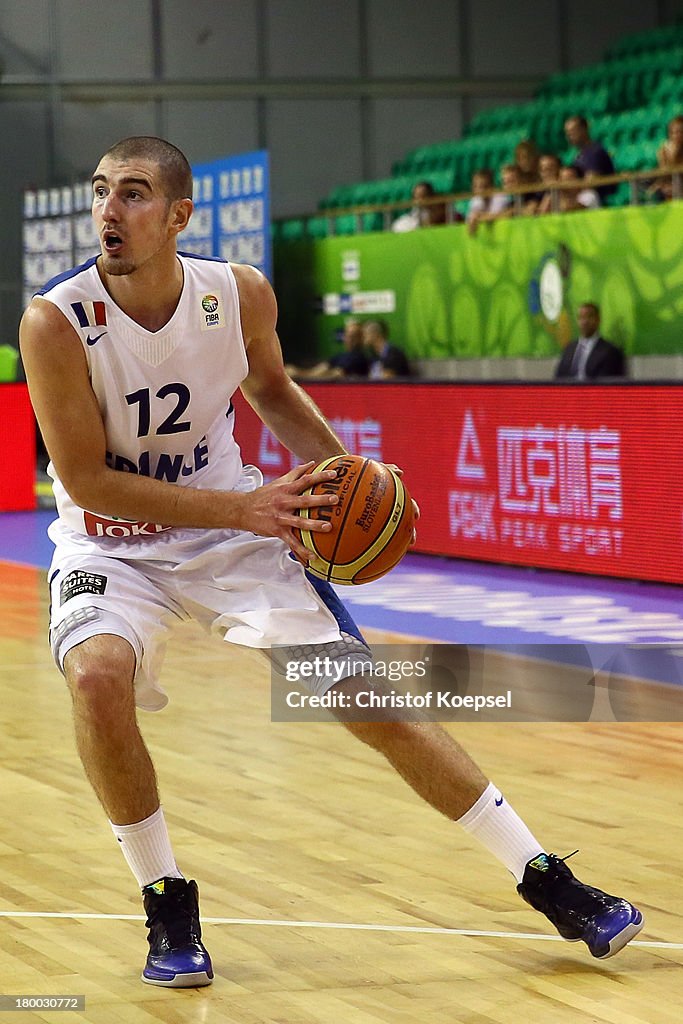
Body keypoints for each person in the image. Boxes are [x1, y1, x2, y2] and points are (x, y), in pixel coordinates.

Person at [20, 136, 642, 988]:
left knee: (366, 701)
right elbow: (88, 479)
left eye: (131, 194)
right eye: (100, 192)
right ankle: (165, 899)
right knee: (96, 678)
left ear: (177, 216)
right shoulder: (56, 321)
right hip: (110, 542)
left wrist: (354, 482)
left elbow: (271, 390)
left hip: (233, 532)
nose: (107, 211)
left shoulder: (235, 296)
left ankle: (546, 879)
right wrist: (247, 505)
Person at [555, 302, 627, 380]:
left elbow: (610, 384)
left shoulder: (611, 352)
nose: (585, 322)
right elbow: (558, 377)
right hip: (568, 391)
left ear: (598, 320)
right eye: (581, 317)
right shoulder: (569, 349)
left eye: (589, 317)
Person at [284, 317, 369, 380]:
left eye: (354, 336)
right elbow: (320, 369)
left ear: (361, 338)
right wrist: (297, 372)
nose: (349, 339)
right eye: (347, 335)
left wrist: (299, 375)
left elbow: (336, 375)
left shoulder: (359, 358)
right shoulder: (339, 356)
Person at [564, 115, 616, 199]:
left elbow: (590, 183)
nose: (569, 136)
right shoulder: (577, 154)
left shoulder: (595, 152)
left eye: (573, 131)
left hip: (598, 199)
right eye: (567, 133)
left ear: (584, 129)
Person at [536, 161, 600, 215]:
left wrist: (559, 192)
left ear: (579, 180)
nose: (565, 182)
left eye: (570, 178)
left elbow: (568, 208)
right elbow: (542, 214)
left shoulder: (589, 195)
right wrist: (550, 192)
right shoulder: (556, 196)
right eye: (563, 179)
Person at [647, 114, 683, 202]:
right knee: (654, 192)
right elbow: (664, 172)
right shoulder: (663, 150)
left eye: (680, 132)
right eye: (672, 132)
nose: (676, 135)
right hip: (670, 185)